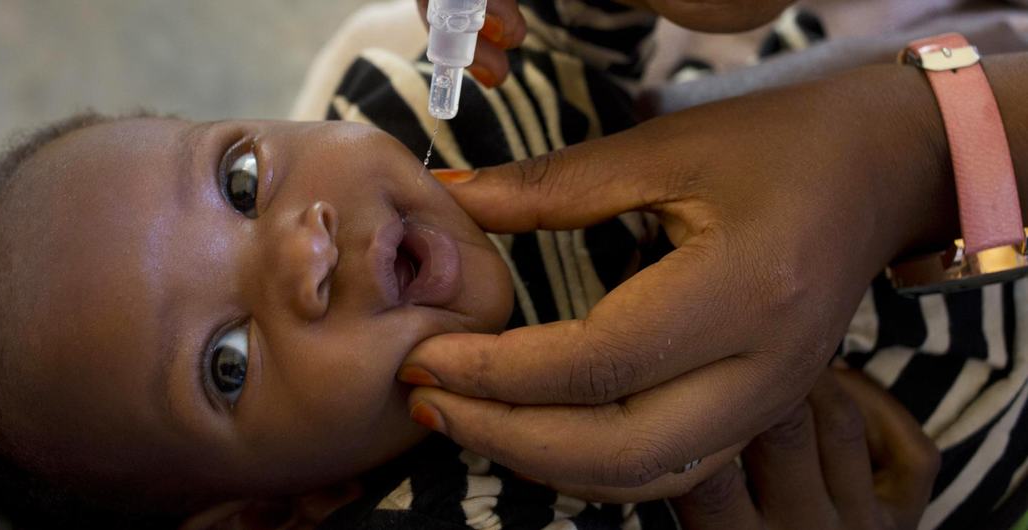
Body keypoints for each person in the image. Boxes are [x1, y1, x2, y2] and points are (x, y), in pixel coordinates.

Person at [379, 0, 1028, 528]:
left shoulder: (396, 113)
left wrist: (921, 153)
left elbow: (564, 52)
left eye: (267, 177)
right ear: (281, 511)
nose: (308, 244)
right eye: (267, 350)